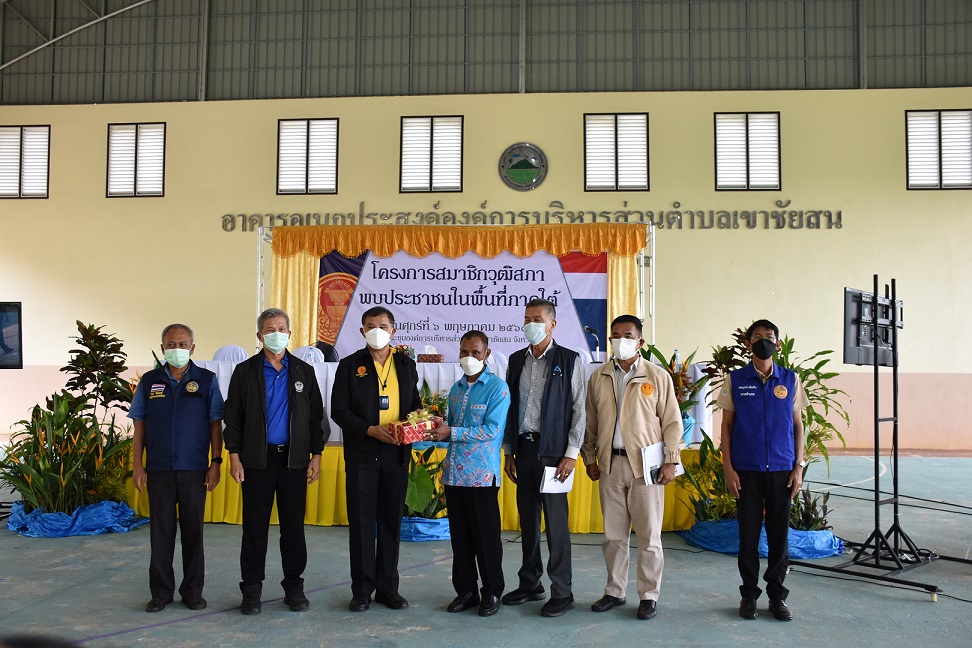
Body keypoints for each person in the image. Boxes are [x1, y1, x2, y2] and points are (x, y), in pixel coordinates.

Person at [223, 308, 326, 615]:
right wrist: (234, 456)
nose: (276, 333)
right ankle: (251, 589)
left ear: (290, 334)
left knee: (293, 528)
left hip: (293, 463)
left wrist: (316, 455)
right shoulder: (244, 371)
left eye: (281, 328)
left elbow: (316, 417)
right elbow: (233, 418)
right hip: (257, 462)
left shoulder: (304, 371)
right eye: (270, 329)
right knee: (254, 528)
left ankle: (294, 587)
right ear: (259, 336)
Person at [581, 315, 683, 621]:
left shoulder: (657, 376)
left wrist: (670, 460)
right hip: (610, 465)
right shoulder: (599, 376)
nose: (620, 341)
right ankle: (615, 590)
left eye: (627, 336)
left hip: (646, 468)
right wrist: (589, 456)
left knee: (649, 537)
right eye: (615, 335)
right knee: (613, 536)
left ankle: (649, 595)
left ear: (640, 342)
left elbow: (672, 423)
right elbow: (590, 421)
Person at [331, 306, 421, 612]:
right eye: (371, 325)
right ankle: (362, 590)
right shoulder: (349, 365)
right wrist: (370, 430)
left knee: (391, 522)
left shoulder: (407, 365)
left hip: (396, 454)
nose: (377, 330)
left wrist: (417, 424)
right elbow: (339, 411)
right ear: (361, 331)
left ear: (393, 330)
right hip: (363, 452)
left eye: (383, 325)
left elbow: (415, 405)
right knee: (361, 523)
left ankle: (388, 589)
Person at [717, 319, 809, 622]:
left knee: (779, 537)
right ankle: (748, 596)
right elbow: (727, 428)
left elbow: (798, 426)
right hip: (746, 471)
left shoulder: (791, 380)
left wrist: (798, 466)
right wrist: (729, 468)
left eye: (769, 337)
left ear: (778, 344)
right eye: (757, 337)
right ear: (748, 344)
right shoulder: (735, 380)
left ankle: (776, 597)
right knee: (748, 535)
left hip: (782, 470)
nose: (763, 341)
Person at [128, 324, 224, 613]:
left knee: (194, 532)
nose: (177, 350)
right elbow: (139, 426)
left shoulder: (207, 381)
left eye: (183, 345)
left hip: (194, 469)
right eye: (171, 345)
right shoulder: (149, 382)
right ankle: (161, 592)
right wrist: (137, 466)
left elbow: (215, 424)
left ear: (193, 349)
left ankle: (193, 592)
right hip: (158, 470)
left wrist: (215, 463)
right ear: (162, 348)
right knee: (161, 534)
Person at [501, 298, 585, 617]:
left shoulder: (569, 359)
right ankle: (530, 583)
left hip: (554, 455)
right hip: (523, 450)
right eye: (527, 318)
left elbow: (579, 410)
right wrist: (509, 452)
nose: (530, 324)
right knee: (528, 521)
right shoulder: (516, 360)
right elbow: (510, 409)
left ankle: (562, 591)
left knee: (556, 524)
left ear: (552, 324)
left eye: (537, 318)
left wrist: (572, 454)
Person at [429, 330, 511, 617]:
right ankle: (466, 591)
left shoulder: (498, 388)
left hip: (481, 476)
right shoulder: (456, 389)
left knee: (486, 538)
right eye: (464, 351)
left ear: (486, 354)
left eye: (475, 352)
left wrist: (451, 431)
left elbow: (492, 431)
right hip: (454, 474)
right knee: (460, 538)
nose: (469, 357)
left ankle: (492, 591)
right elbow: (451, 425)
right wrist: (438, 424)